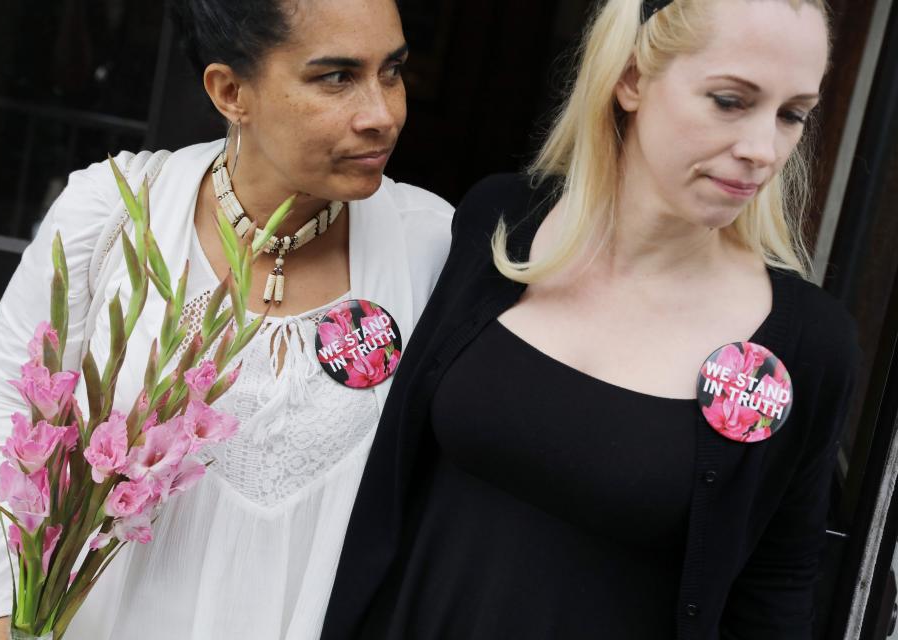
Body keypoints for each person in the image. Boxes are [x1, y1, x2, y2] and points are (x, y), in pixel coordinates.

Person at [322, 0, 860, 638]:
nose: (762, 149)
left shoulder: (807, 343)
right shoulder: (499, 222)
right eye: (729, 100)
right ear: (631, 79)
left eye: (792, 114)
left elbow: (777, 592)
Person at [0, 0, 452, 638]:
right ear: (230, 90)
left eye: (392, 70)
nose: (383, 113)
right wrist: (3, 606)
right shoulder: (110, 216)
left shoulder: (431, 246)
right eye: (336, 77)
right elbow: (4, 402)